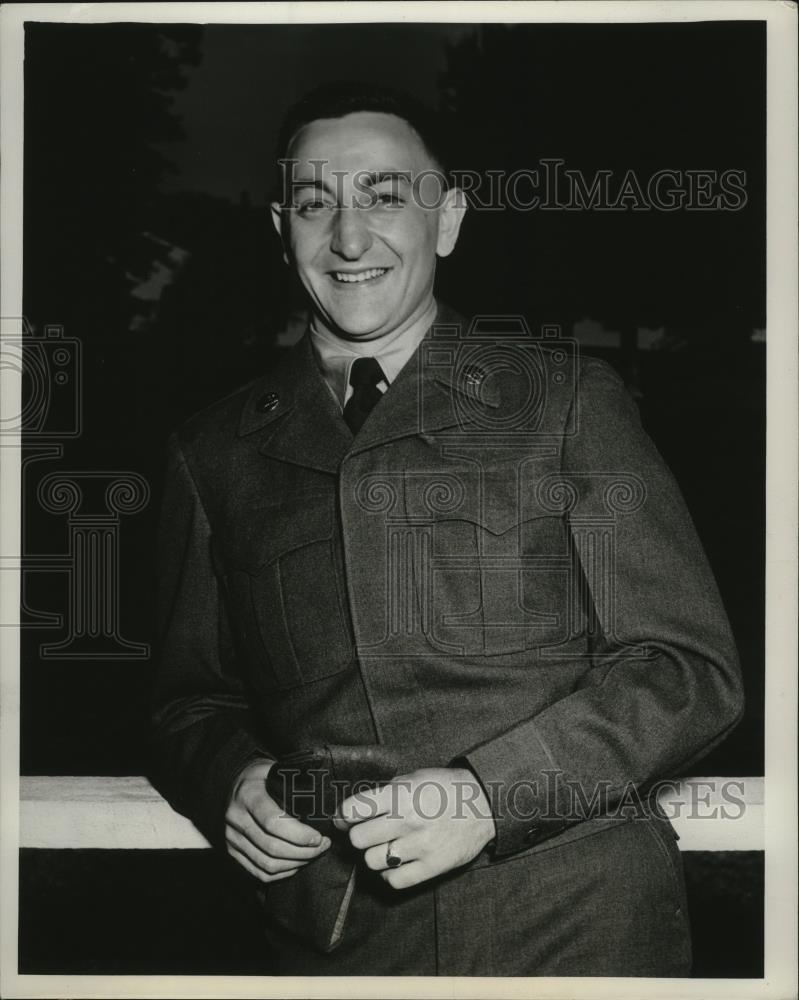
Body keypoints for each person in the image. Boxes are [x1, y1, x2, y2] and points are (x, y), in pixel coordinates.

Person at [150, 81, 744, 977]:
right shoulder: (212, 451)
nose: (349, 238)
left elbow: (688, 672)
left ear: (449, 219)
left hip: (576, 926)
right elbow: (185, 701)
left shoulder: (564, 402)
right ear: (282, 230)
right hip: (334, 944)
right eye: (315, 205)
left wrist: (488, 795)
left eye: (385, 197)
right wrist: (226, 776)